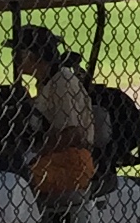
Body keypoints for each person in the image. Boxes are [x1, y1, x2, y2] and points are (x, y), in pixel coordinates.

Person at [13, 24, 100, 195]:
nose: (14, 58)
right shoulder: (45, 82)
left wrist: (35, 153)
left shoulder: (62, 82)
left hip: (72, 161)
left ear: (33, 56)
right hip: (52, 158)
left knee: (16, 180)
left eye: (18, 54)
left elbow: (72, 134)